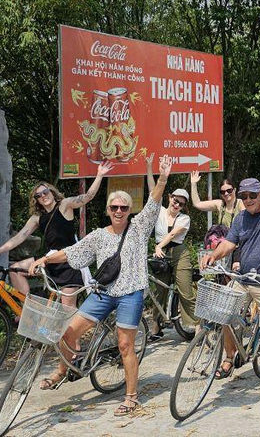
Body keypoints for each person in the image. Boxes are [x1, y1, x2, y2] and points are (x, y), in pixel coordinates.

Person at [29, 155, 173, 415]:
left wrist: (162, 177)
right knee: (67, 332)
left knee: (125, 345)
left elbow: (154, 202)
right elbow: (71, 252)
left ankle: (131, 397)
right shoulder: (97, 235)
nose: (119, 211)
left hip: (130, 293)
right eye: (114, 207)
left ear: (130, 210)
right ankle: (64, 370)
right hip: (103, 293)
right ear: (108, 210)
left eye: (124, 208)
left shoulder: (139, 227)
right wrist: (43, 259)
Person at [201, 154, 260, 402]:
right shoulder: (241, 217)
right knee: (225, 312)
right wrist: (213, 255)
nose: (247, 200)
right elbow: (229, 243)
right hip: (244, 277)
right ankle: (229, 357)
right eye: (243, 196)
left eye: (252, 196)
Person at [0, 161, 114, 309]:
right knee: (15, 270)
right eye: (39, 195)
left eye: (45, 192)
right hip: (50, 259)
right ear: (36, 200)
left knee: (67, 309)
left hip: (68, 260)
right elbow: (20, 237)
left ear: (52, 192)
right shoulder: (37, 218)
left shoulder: (65, 205)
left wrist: (99, 175)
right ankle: (29, 309)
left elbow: (87, 197)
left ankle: (78, 329)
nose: (43, 196)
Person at [146, 160, 198, 340]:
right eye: (175, 201)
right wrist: (149, 168)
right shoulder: (159, 211)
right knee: (159, 290)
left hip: (178, 253)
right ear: (169, 198)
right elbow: (154, 190)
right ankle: (156, 326)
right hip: (161, 254)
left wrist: (158, 246)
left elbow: (173, 234)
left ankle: (196, 326)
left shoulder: (184, 219)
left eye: (181, 204)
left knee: (185, 289)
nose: (177, 205)